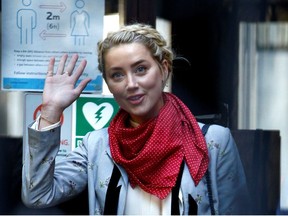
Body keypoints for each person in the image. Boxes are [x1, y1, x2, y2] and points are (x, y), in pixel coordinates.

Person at [22, 23, 249, 215]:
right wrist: (50, 110)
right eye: (117, 75)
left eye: (141, 69)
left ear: (163, 69)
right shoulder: (97, 146)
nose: (130, 84)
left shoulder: (213, 142)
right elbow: (37, 195)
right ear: (109, 84)